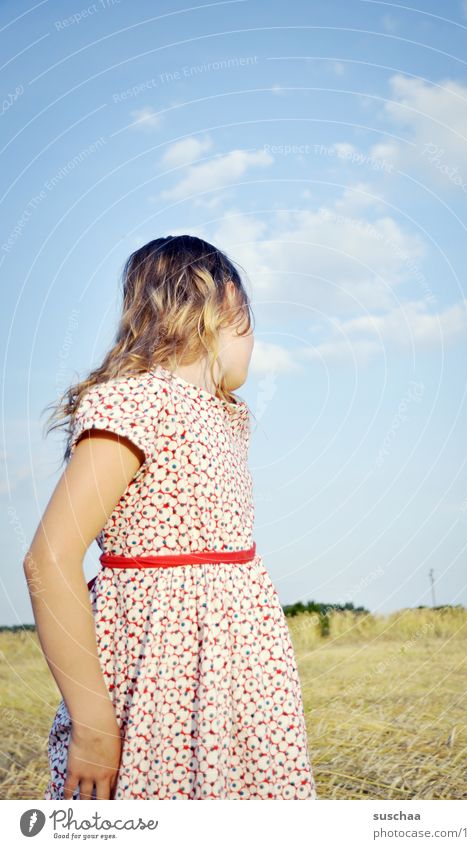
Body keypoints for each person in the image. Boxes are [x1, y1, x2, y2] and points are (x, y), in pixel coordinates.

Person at [24, 234, 317, 801]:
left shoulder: (228, 419)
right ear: (221, 307)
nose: (256, 346)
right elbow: (49, 558)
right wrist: (93, 723)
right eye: (251, 326)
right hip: (165, 681)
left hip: (239, 688)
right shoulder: (137, 403)